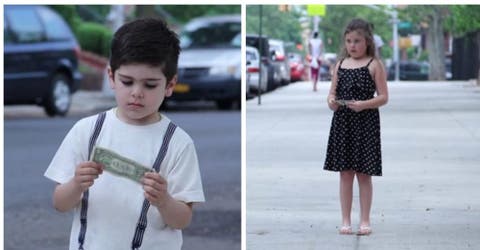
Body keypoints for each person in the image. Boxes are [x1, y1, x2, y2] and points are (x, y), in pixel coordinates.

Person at [44, 18, 205, 250]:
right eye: (127, 82)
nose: (137, 93)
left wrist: (164, 201)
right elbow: (60, 203)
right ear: (111, 77)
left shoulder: (178, 143)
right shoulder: (88, 130)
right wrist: (76, 184)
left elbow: (182, 219)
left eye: (150, 85)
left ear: (170, 85)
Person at [324, 18, 388, 236]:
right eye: (349, 41)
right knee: (345, 174)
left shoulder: (373, 65)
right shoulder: (340, 65)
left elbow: (384, 97)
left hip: (366, 123)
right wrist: (332, 101)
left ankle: (365, 220)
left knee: (363, 174)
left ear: (367, 42)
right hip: (343, 122)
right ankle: (345, 220)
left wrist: (363, 105)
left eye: (357, 41)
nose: (352, 45)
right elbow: (332, 93)